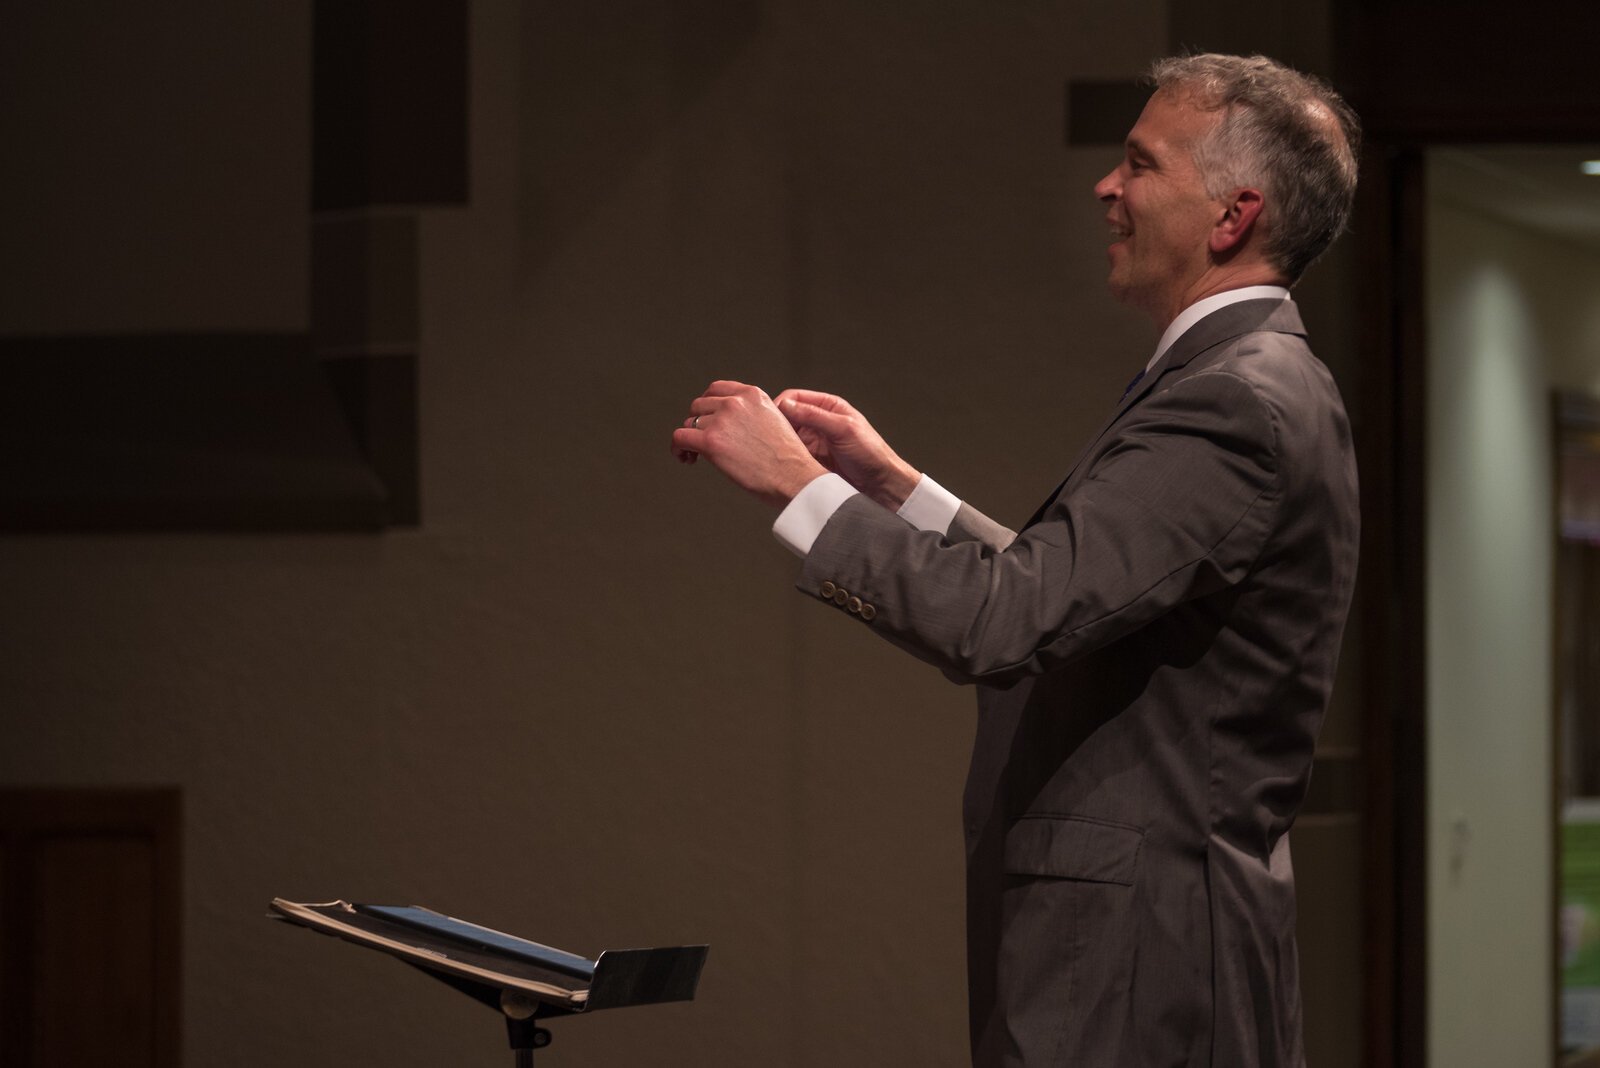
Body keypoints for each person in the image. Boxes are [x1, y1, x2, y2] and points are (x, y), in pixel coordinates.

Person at [672, 53, 1361, 1067]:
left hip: (1139, 971)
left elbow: (1006, 621)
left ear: (1231, 216)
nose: (1106, 186)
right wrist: (896, 489)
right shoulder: (1244, 380)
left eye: (1141, 163)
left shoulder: (1231, 400)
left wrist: (794, 486)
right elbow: (1080, 597)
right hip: (1139, 955)